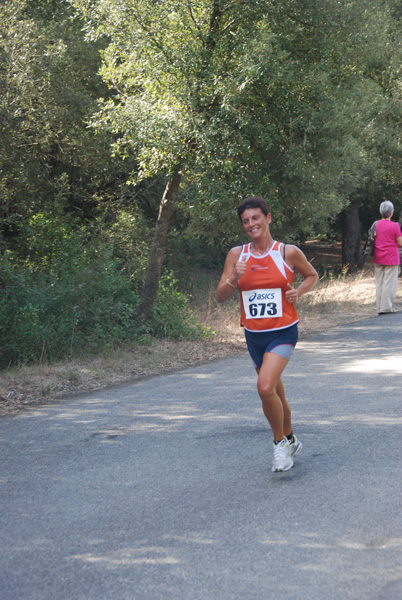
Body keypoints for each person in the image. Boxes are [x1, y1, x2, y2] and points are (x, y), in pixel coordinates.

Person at [217, 197, 318, 473]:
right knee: (275, 391)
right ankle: (292, 439)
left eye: (256, 218)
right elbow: (221, 296)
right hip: (254, 336)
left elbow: (311, 275)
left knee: (264, 387)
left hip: (283, 332)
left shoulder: (287, 252)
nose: (251, 224)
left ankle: (279, 445)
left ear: (268, 218)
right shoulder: (237, 256)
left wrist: (300, 292)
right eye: (246, 221)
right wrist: (233, 279)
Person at [372, 201, 402, 314]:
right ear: (391, 213)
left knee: (379, 282)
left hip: (378, 256)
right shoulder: (395, 226)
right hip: (391, 257)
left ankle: (379, 307)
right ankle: (386, 308)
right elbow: (400, 242)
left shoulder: (376, 224)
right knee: (389, 283)